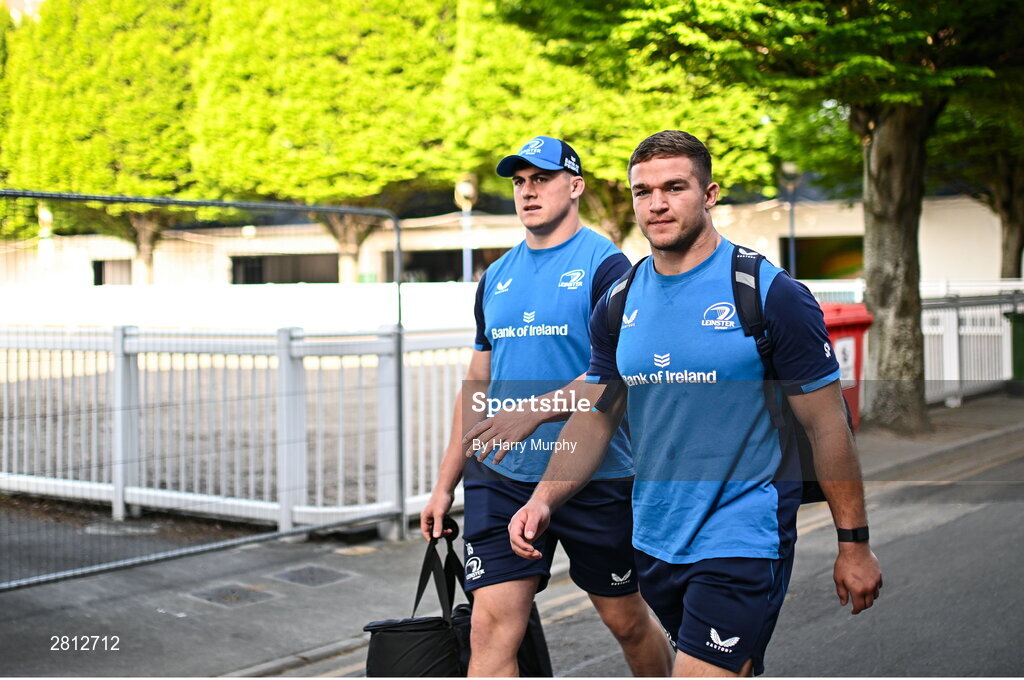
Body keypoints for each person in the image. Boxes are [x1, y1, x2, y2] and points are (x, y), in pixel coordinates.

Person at [509, 130, 883, 677]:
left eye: (674, 187)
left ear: (709, 194)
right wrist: (545, 498)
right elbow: (596, 416)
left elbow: (829, 427)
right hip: (655, 535)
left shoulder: (767, 292)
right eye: (643, 191)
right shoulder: (619, 301)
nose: (657, 204)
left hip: (744, 532)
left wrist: (854, 544)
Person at [420, 135, 672, 677]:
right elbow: (477, 385)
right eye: (518, 182)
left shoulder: (609, 268)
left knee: (626, 622)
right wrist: (445, 484)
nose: (528, 192)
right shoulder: (496, 276)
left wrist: (533, 409)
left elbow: (617, 377)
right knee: (490, 630)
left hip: (594, 474)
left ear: (575, 186)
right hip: (502, 476)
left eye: (542, 179)